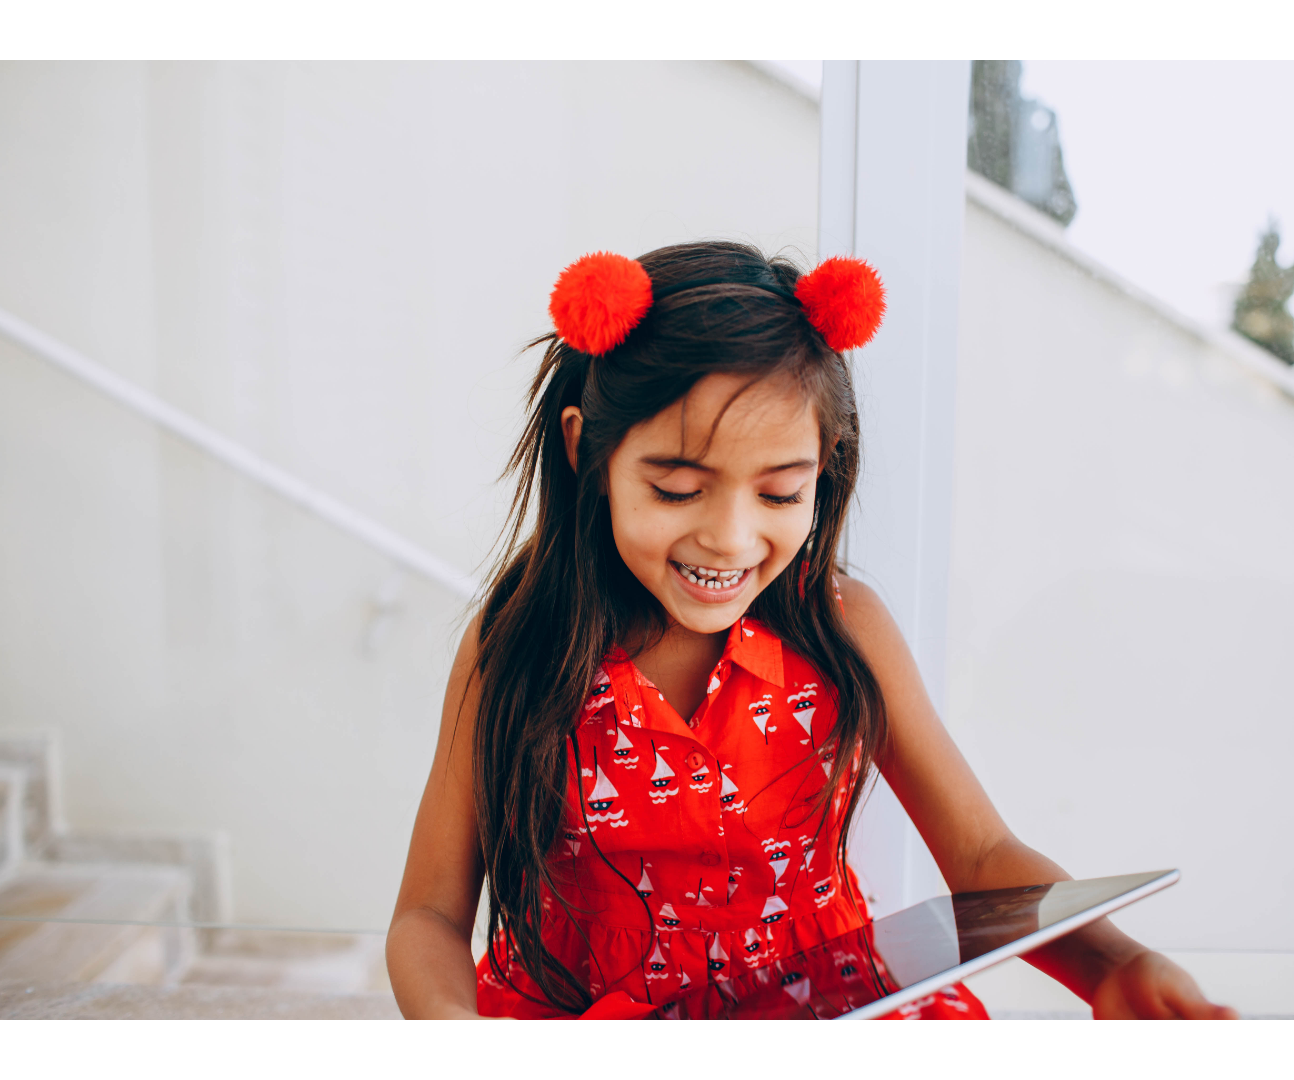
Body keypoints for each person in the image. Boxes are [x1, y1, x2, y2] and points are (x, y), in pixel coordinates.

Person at [385, 241, 1236, 1020]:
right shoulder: (518, 644)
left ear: (823, 471)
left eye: (781, 493)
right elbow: (429, 911)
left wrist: (1112, 966)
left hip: (826, 1024)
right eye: (678, 488)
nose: (728, 536)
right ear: (585, 454)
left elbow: (980, 856)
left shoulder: (844, 627)